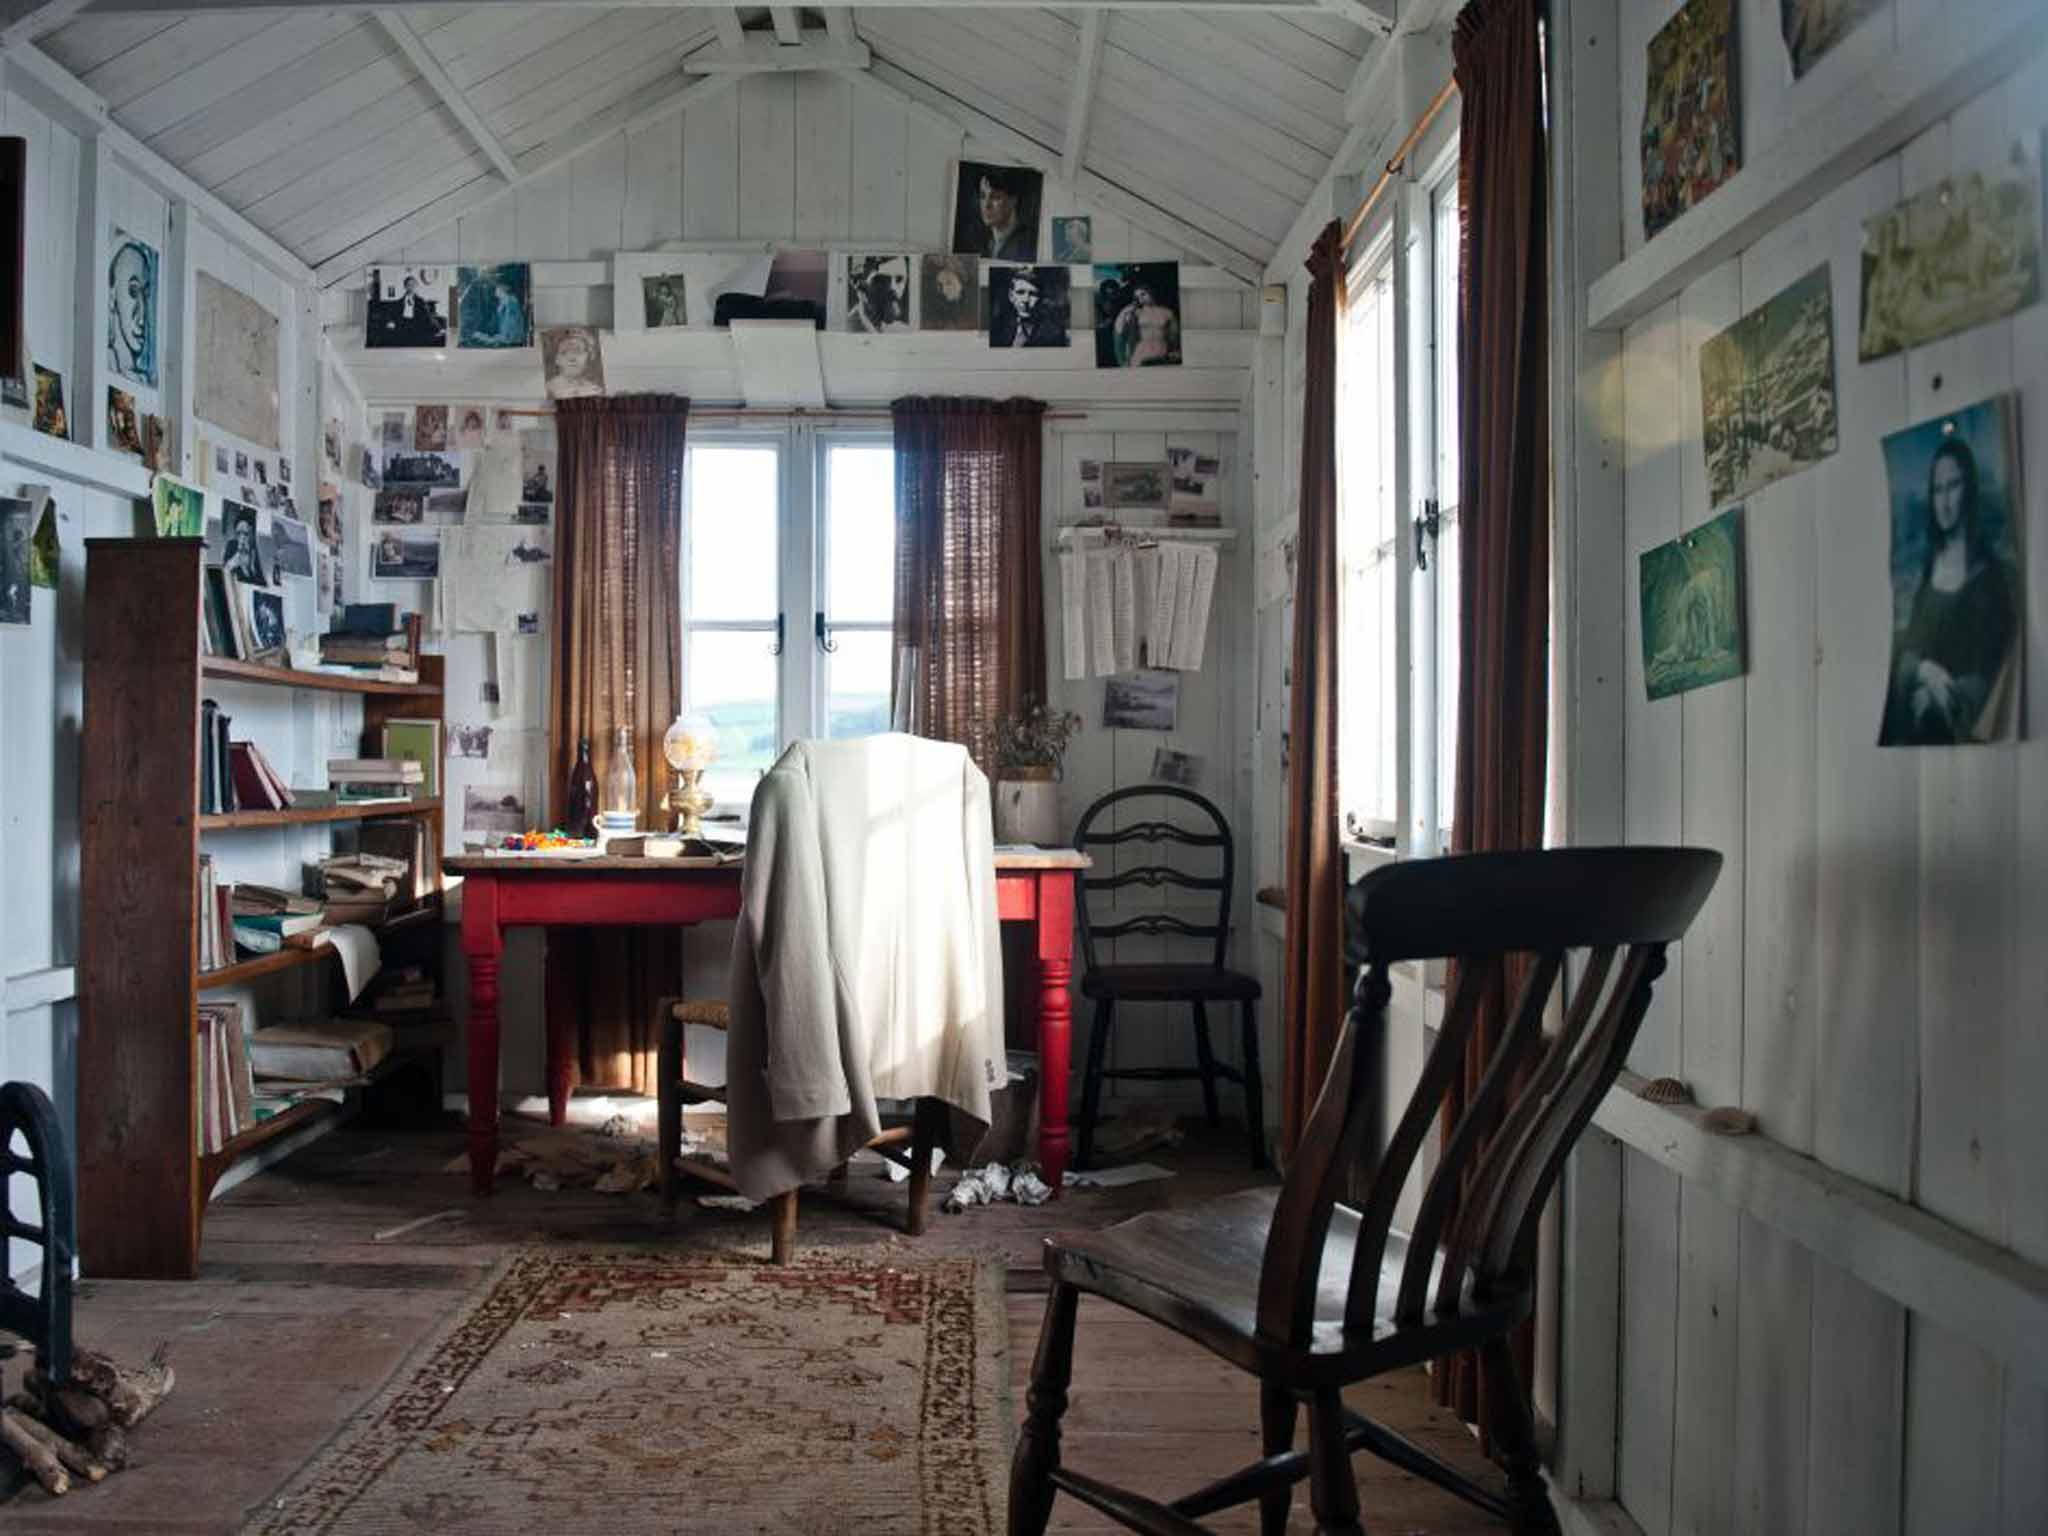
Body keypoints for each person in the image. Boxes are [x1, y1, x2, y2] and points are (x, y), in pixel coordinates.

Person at [1879, 434, 2020, 745]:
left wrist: (1942, 696)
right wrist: (1927, 673)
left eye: (1953, 486)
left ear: (1968, 489)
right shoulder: (1929, 567)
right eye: (1937, 490)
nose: (1944, 501)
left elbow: (1995, 674)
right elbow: (1908, 651)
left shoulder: (1990, 576)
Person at [106, 239, 155, 385]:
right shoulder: (107, 363)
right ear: (112, 297)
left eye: (145, 294)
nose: (142, 318)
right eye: (133, 292)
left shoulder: (143, 381)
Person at [969, 168, 1035, 261]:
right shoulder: (983, 243)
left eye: (995, 197)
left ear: (1013, 201)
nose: (986, 205)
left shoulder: (1029, 242)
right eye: (982, 196)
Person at [1110, 280, 1181, 366]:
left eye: (1143, 294)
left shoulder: (1167, 313)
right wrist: (1125, 312)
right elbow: (1122, 332)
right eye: (1137, 297)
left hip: (1162, 353)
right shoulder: (1136, 313)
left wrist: (1175, 352)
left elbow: (1174, 336)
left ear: (1151, 293)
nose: (1141, 299)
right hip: (1141, 354)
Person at [992, 269, 1060, 348]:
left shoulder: (1053, 333)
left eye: (1032, 294)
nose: (1026, 300)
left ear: (1040, 298)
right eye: (1020, 292)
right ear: (1011, 296)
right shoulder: (998, 327)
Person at [224, 511, 268, 586]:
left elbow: (263, 583)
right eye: (238, 533)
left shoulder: (254, 551)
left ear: (251, 534)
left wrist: (251, 570)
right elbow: (223, 572)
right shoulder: (231, 545)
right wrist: (235, 560)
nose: (242, 537)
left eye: (246, 533)